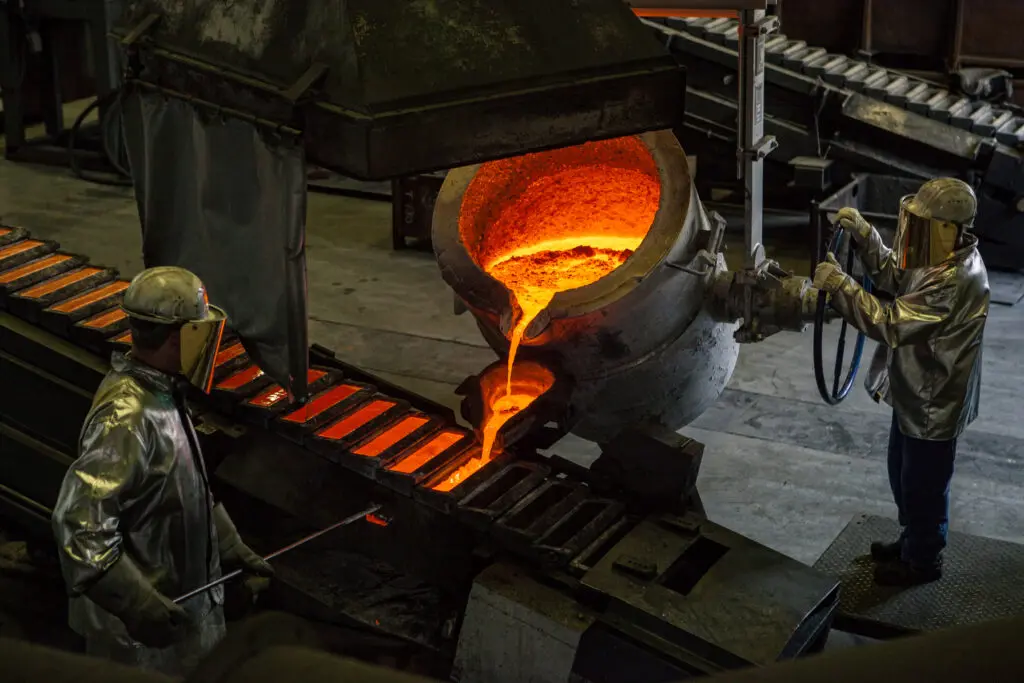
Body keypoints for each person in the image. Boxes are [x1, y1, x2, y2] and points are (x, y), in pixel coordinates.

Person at [51, 266, 274, 675]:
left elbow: (184, 487)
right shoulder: (127, 416)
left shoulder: (162, 393)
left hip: (181, 615)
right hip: (139, 642)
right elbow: (80, 525)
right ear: (178, 338)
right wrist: (137, 603)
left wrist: (229, 546)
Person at [813, 178, 990, 586]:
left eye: (925, 224)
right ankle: (912, 539)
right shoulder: (938, 256)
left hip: (934, 401)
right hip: (914, 390)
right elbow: (897, 275)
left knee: (924, 485)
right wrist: (865, 237)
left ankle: (923, 560)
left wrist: (842, 287)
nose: (918, 230)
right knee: (903, 474)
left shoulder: (954, 279)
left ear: (948, 228)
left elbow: (891, 323)